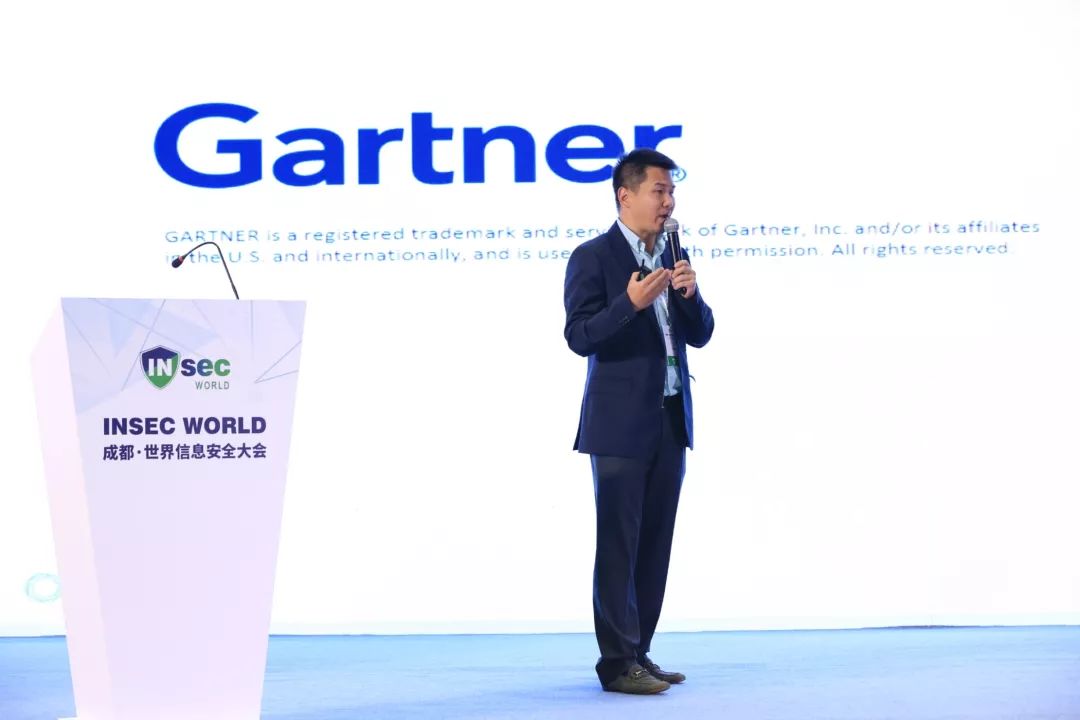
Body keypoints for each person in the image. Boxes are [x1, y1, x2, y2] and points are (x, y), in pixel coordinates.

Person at [563, 148, 715, 694]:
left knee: (654, 544)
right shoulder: (593, 256)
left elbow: (701, 333)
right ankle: (615, 663)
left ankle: (640, 652)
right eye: (659, 190)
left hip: (670, 420)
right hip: (619, 426)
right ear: (625, 195)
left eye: (672, 192)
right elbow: (579, 336)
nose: (668, 201)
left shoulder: (673, 253)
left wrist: (690, 296)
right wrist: (628, 304)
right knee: (619, 546)